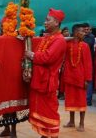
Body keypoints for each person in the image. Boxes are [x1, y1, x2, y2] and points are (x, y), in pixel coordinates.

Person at [25, 8, 67, 138]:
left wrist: (31, 55)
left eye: (48, 20)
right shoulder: (47, 37)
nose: (45, 22)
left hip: (48, 81)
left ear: (56, 22)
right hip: (39, 80)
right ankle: (44, 135)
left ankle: (53, 135)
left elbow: (47, 58)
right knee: (42, 110)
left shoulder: (59, 40)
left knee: (50, 111)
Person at [63, 24, 92, 132]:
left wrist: (87, 79)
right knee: (70, 100)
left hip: (81, 78)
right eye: (82, 31)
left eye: (84, 32)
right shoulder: (67, 44)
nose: (84, 33)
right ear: (75, 33)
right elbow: (59, 40)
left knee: (81, 101)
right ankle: (71, 121)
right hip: (70, 77)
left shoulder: (85, 46)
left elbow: (88, 64)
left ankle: (81, 123)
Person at [83, 22, 95, 106]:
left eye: (88, 29)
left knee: (89, 80)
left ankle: (88, 100)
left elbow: (88, 44)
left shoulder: (91, 37)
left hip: (89, 61)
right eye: (85, 29)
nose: (86, 31)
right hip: (81, 61)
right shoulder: (82, 37)